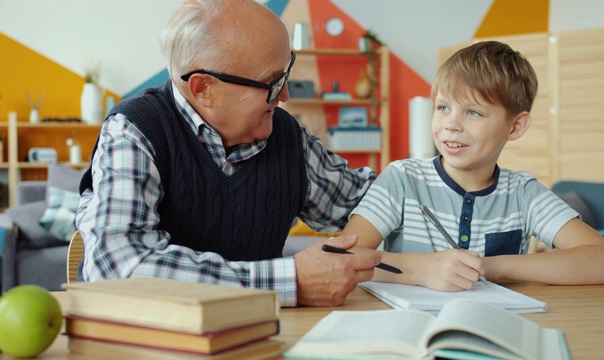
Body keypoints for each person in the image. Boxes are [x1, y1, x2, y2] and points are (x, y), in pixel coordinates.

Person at [75, 0, 382, 307]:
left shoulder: (286, 135)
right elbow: (116, 270)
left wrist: (423, 173)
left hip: (258, 339)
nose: (285, 95)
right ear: (204, 88)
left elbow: (367, 202)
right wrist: (290, 281)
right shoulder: (133, 131)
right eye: (272, 83)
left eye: (286, 73)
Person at [341, 41, 604, 291]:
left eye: (473, 112)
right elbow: (345, 256)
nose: (451, 124)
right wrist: (420, 269)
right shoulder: (401, 179)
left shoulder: (524, 193)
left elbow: (598, 259)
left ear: (515, 126)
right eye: (443, 107)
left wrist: (493, 266)